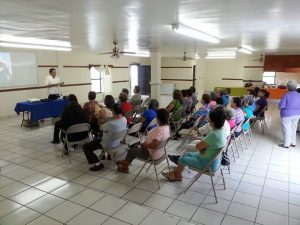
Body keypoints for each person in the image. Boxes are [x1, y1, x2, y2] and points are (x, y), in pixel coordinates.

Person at [163, 107, 227, 181]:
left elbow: (197, 146)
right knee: (185, 155)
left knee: (183, 159)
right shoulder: (221, 132)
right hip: (214, 160)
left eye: (209, 120)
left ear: (213, 122)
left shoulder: (214, 134)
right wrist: (202, 148)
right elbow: (204, 146)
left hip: (207, 163)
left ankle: (176, 175)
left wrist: (202, 148)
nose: (208, 121)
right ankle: (176, 174)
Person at [115, 108, 170, 173]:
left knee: (131, 151)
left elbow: (153, 145)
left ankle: (125, 167)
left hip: (151, 154)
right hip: (160, 152)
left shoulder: (159, 131)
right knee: (135, 147)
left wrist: (144, 144)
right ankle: (125, 162)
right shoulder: (167, 127)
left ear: (158, 118)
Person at [83, 103, 127, 171]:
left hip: (108, 144)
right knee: (100, 138)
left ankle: (97, 163)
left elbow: (100, 128)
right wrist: (110, 118)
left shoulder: (110, 123)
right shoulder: (124, 119)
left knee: (86, 147)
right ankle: (104, 156)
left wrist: (99, 118)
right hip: (117, 142)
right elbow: (114, 120)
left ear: (113, 111)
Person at [278, 80, 300, 148]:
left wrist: (279, 106)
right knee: (294, 128)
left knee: (287, 129)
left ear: (287, 87)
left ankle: (286, 144)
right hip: (297, 114)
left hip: (287, 115)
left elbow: (281, 106)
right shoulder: (299, 95)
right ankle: (293, 143)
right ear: (296, 87)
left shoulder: (286, 95)